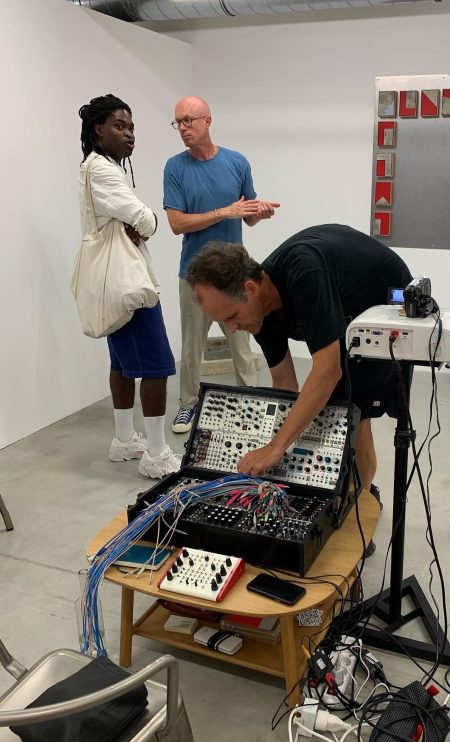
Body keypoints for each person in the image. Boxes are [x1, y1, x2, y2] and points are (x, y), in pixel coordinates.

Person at [185, 223, 413, 510]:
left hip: (382, 302)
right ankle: (341, 491)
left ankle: (360, 502)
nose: (231, 328)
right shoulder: (259, 311)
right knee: (321, 409)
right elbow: (284, 384)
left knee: (353, 408)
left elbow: (328, 371)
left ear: (250, 289)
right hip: (342, 303)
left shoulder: (305, 274)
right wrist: (273, 446)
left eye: (232, 316)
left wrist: (276, 447)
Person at [77, 94, 181, 479]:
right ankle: (156, 453)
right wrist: (147, 220)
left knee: (121, 364)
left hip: (111, 282)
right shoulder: (104, 170)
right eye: (119, 126)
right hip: (129, 285)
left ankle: (124, 440)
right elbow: (145, 219)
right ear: (98, 129)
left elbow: (130, 219)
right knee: (157, 366)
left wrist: (136, 222)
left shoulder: (95, 166)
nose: (129, 134)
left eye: (132, 127)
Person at [163, 96, 279, 435]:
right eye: (178, 123)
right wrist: (223, 212)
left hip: (234, 274)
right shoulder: (175, 167)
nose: (183, 128)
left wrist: (259, 213)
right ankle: (188, 404)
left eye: (188, 120)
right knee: (191, 346)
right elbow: (177, 223)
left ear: (208, 121)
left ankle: (249, 400)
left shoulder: (237, 162)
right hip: (194, 275)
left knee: (242, 342)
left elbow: (248, 216)